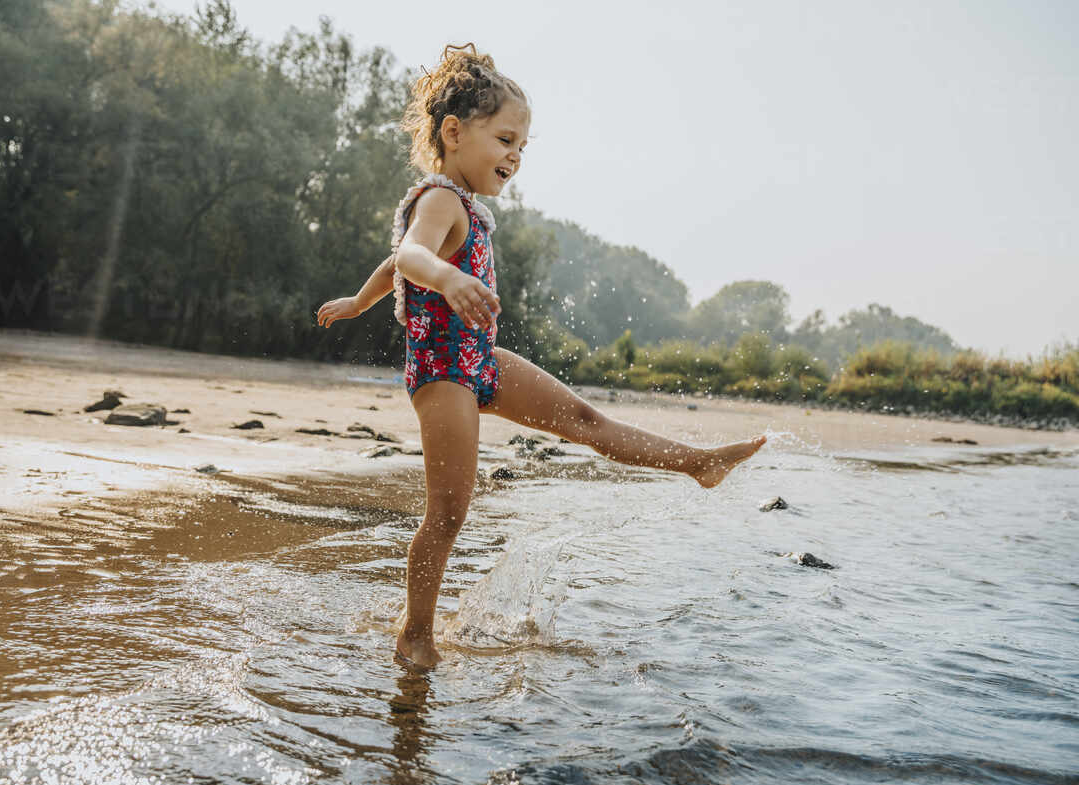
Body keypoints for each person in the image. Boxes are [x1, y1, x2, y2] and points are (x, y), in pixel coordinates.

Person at [315, 44, 766, 670]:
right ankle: (415, 633)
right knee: (448, 513)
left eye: (523, 146)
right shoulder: (439, 198)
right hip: (443, 372)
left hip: (479, 359)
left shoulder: (464, 208)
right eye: (504, 139)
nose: (515, 156)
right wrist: (445, 281)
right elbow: (413, 254)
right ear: (453, 131)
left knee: (586, 422)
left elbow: (396, 262)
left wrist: (361, 302)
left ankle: (697, 464)